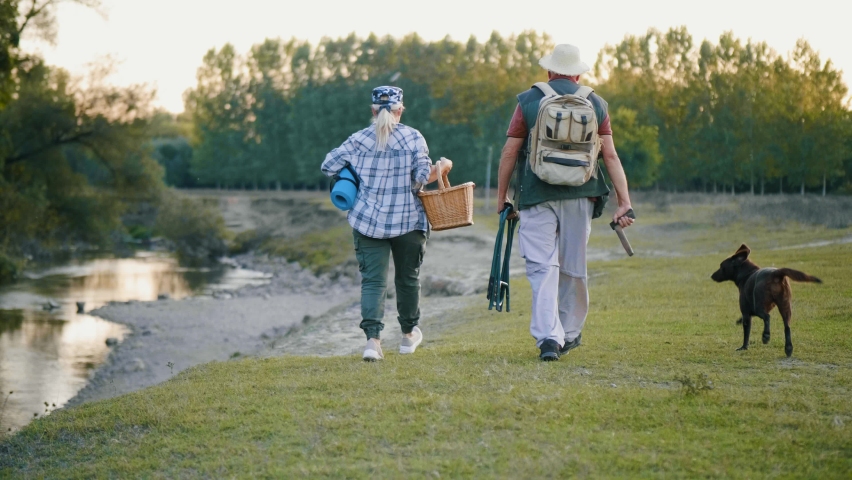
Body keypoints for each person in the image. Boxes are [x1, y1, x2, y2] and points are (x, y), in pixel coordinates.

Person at [495, 44, 635, 361]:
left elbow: (509, 153)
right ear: (578, 73)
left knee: (542, 267)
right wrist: (624, 201)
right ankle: (569, 333)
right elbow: (610, 155)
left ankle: (549, 339)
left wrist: (502, 195)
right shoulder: (596, 103)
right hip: (581, 195)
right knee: (573, 267)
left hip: (535, 195)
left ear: (549, 71)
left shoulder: (528, 100)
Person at [321, 86, 451, 361]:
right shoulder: (413, 137)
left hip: (367, 220)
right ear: (400, 109)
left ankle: (372, 343)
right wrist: (442, 168)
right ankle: (407, 336)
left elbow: (328, 165)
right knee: (408, 279)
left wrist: (353, 177)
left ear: (372, 110)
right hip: (408, 221)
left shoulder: (358, 139)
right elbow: (420, 178)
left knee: (372, 283)